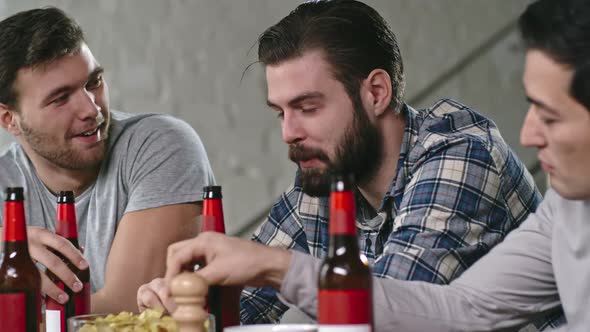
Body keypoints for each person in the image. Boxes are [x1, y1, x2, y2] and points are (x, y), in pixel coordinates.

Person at [159, 0, 590, 330]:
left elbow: (389, 320)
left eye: (307, 107)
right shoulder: (564, 207)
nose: (288, 132)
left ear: (377, 92)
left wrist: (274, 267)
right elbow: (462, 310)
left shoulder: (462, 153)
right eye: (280, 112)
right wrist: (177, 305)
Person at [0, 7, 215, 313]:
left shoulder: (161, 145)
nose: (91, 109)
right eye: (61, 98)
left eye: (94, 82)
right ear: (9, 119)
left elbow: (126, 308)